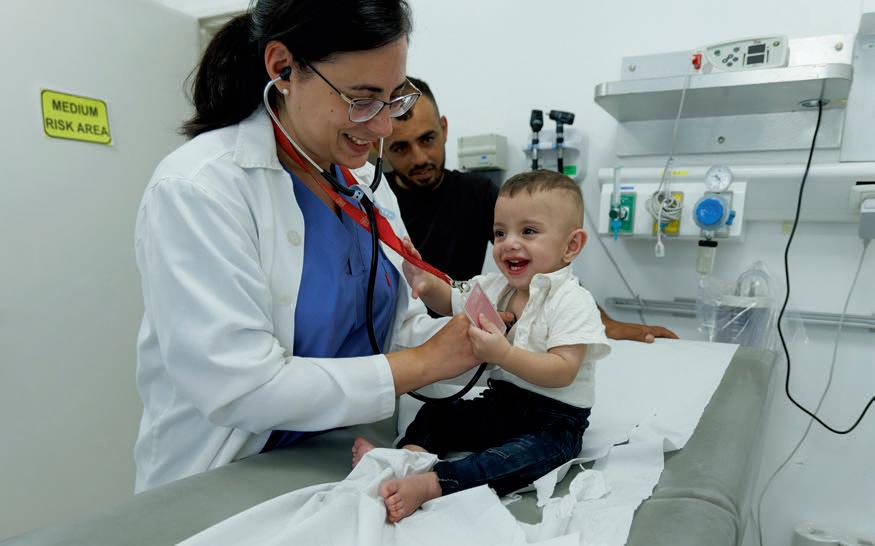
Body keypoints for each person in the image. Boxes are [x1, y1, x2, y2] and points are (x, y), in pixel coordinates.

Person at [132, 0, 482, 493]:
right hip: (224, 482)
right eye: (362, 99)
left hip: (346, 464)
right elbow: (242, 386)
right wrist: (428, 362)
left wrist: (496, 344)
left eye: (393, 98)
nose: (383, 127)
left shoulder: (365, 184)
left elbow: (395, 329)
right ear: (283, 69)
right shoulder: (198, 188)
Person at [352, 170, 611, 522]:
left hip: (555, 422)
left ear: (571, 246)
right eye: (500, 232)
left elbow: (563, 370)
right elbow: (450, 299)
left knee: (514, 460)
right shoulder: (495, 287)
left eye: (528, 231)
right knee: (438, 415)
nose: (509, 243)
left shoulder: (571, 300)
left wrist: (503, 354)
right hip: (503, 403)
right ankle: (406, 459)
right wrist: (423, 280)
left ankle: (433, 483)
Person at [384, 77, 678, 342]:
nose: (419, 158)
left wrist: (604, 324)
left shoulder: (476, 193)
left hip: (469, 339)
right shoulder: (374, 203)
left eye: (427, 139)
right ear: (379, 145)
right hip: (395, 338)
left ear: (444, 129)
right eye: (401, 148)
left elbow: (548, 268)